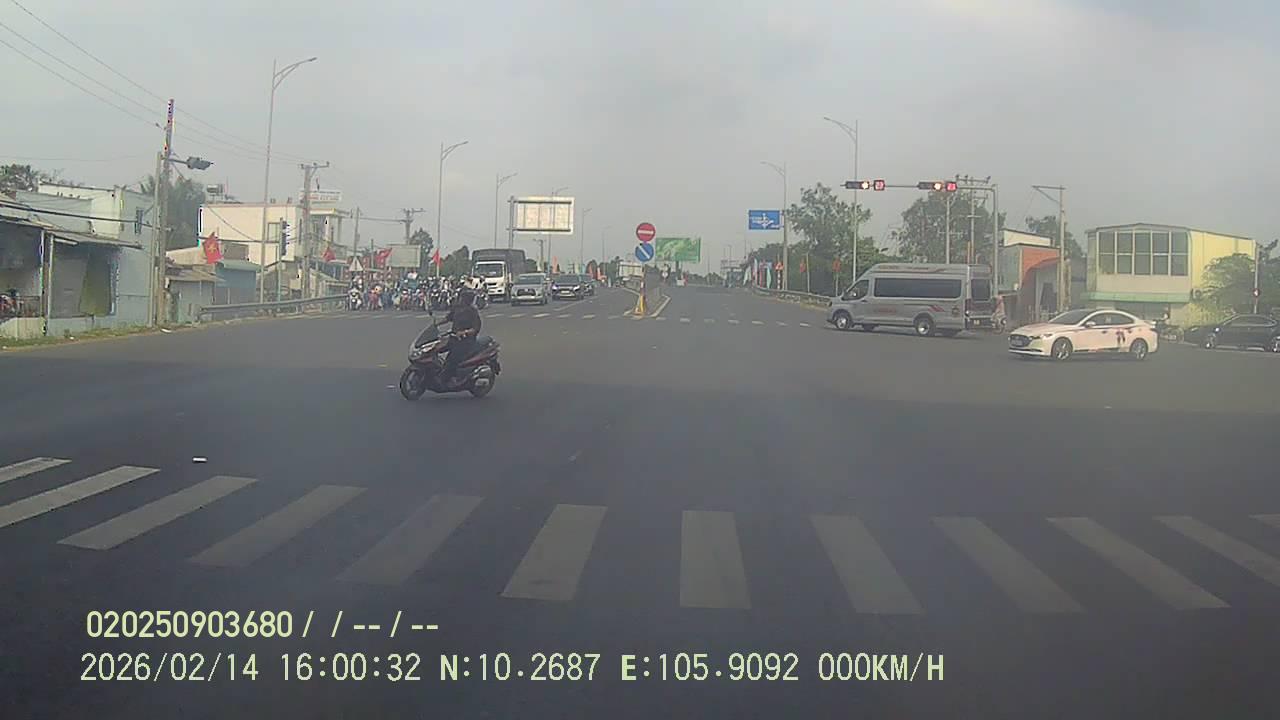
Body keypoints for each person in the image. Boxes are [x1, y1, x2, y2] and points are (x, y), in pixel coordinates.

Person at [441, 287, 482, 387]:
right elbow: (447, 318)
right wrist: (436, 324)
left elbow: (475, 328)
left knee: (453, 358)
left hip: (466, 341)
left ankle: (452, 378)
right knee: (437, 348)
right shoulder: (457, 308)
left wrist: (464, 332)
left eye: (462, 298)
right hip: (454, 338)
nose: (460, 299)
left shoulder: (472, 311)